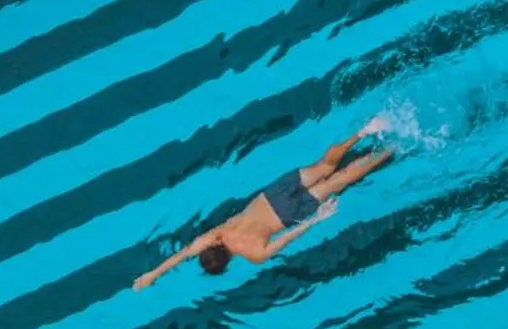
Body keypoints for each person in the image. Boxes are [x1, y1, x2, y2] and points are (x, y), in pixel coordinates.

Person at [133, 121, 395, 289]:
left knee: (340, 180)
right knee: (325, 165)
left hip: (289, 214)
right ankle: (364, 131)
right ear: (214, 247)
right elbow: (181, 255)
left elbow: (290, 236)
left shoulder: (254, 254)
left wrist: (319, 218)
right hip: (272, 196)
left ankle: (389, 150)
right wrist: (151, 275)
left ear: (227, 264)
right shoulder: (218, 233)